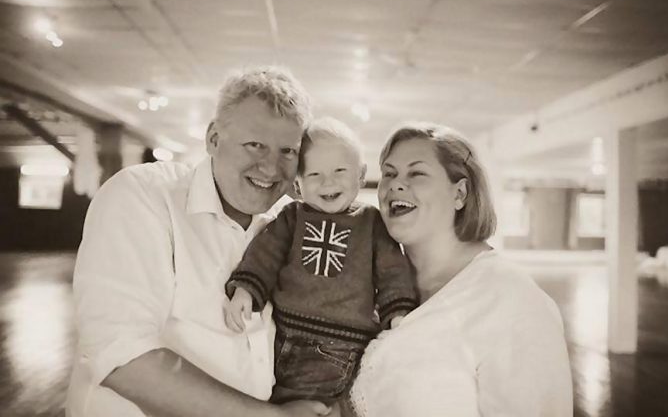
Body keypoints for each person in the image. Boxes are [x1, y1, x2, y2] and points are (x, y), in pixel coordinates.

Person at [66, 67, 339, 417]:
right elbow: (119, 354)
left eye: (288, 151)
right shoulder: (143, 195)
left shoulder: (294, 223)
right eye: (255, 144)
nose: (271, 168)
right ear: (213, 138)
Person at [345, 123, 573, 417]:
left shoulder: (512, 299)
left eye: (416, 173)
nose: (395, 185)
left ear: (460, 193)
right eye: (389, 173)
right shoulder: (374, 281)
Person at [224, 117, 418, 405]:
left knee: (308, 406)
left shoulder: (371, 222)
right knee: (268, 399)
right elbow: (265, 253)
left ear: (361, 175)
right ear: (298, 185)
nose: (328, 181)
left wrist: (398, 314)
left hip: (339, 345)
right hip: (282, 334)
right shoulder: (292, 217)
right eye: (314, 174)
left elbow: (392, 270)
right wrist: (246, 289)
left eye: (340, 170)